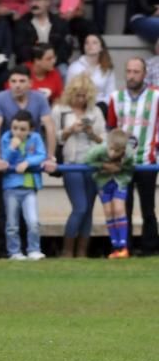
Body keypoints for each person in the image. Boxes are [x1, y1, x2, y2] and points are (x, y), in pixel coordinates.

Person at [0, 66, 57, 258]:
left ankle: (32, 249)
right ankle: (5, 251)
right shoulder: (0, 98)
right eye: (13, 81)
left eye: (21, 81)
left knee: (30, 213)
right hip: (7, 159)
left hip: (30, 161)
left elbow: (49, 128)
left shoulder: (39, 99)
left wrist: (50, 157)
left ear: (30, 83)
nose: (17, 86)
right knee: (4, 210)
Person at [105, 57, 159, 255]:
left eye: (136, 72)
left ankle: (150, 248)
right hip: (122, 163)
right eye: (129, 71)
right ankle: (123, 247)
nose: (132, 76)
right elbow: (110, 128)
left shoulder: (156, 96)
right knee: (122, 208)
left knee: (148, 208)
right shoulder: (115, 97)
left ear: (144, 74)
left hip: (147, 160)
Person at [52, 73, 105, 258]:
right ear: (70, 93)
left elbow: (103, 140)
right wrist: (69, 130)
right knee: (80, 207)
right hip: (71, 164)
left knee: (89, 209)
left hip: (92, 164)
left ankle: (82, 252)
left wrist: (90, 132)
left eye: (84, 95)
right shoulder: (60, 110)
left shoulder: (95, 112)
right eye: (77, 94)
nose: (80, 99)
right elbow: (53, 137)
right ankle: (67, 250)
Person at [0, 110, 47, 261]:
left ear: (31, 129)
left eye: (22, 129)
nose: (17, 132)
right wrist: (12, 148)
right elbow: (5, 160)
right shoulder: (6, 138)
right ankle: (14, 252)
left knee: (33, 221)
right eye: (14, 128)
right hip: (11, 188)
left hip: (29, 187)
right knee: (12, 223)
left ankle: (34, 249)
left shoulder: (36, 138)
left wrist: (27, 162)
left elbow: (41, 155)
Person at [85, 130, 136, 259]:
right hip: (103, 182)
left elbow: (132, 165)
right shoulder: (100, 150)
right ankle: (115, 246)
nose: (113, 153)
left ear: (124, 149)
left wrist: (120, 167)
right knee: (108, 212)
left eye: (117, 151)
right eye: (111, 149)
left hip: (120, 181)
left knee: (119, 209)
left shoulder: (129, 154)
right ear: (108, 144)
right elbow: (86, 159)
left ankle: (123, 246)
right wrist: (103, 165)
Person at [14, 0, 72, 68]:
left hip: (55, 64)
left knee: (64, 71)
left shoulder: (60, 23)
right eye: (31, 0)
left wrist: (50, 62)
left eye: (38, 0)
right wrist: (40, 63)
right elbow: (20, 50)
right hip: (31, 64)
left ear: (47, 1)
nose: (33, 4)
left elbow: (65, 49)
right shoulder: (22, 23)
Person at [66, 33, 115, 113]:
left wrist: (103, 104)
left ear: (101, 48)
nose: (90, 45)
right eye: (87, 43)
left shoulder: (107, 68)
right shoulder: (74, 67)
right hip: (80, 105)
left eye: (94, 43)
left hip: (100, 106)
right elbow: (68, 92)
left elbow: (110, 93)